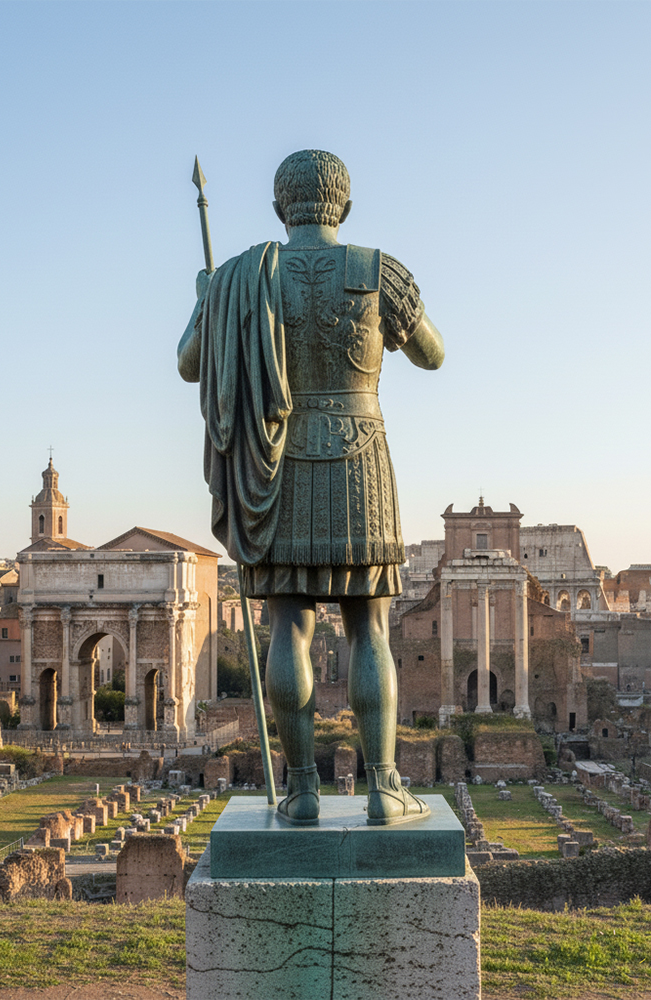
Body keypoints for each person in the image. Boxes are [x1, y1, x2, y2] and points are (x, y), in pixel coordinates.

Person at [178, 150, 444, 825]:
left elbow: (188, 365)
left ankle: (298, 792)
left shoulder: (242, 277)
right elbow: (433, 353)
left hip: (277, 465)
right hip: (360, 461)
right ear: (345, 207)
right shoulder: (379, 270)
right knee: (369, 628)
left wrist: (209, 299)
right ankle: (384, 788)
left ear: (279, 208)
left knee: (288, 625)